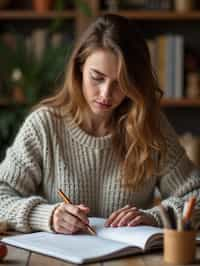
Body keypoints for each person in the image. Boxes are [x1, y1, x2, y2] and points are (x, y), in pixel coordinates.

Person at [0, 14, 200, 235]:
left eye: (120, 83)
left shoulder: (149, 126)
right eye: (97, 77)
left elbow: (196, 196)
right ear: (79, 69)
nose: (106, 94)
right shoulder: (44, 126)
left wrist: (155, 218)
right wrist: (47, 216)